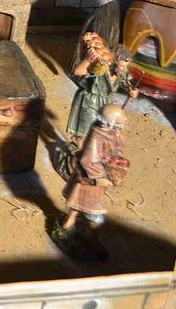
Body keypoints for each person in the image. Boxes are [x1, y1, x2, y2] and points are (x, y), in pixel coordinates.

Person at [54, 104, 129, 258]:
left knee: (77, 204)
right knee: (93, 214)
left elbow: (116, 150)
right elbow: (88, 160)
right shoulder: (97, 136)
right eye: (120, 120)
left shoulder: (113, 133)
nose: (124, 121)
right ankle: (85, 234)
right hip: (89, 180)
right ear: (110, 122)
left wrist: (116, 166)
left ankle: (70, 225)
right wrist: (100, 178)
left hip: (96, 181)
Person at [67, 38, 136, 144]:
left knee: (101, 132)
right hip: (90, 102)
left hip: (106, 104)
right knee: (85, 131)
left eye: (125, 66)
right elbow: (78, 72)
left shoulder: (121, 72)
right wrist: (87, 60)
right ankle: (77, 145)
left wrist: (131, 91)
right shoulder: (100, 68)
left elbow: (125, 82)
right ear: (113, 62)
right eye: (121, 66)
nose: (123, 69)